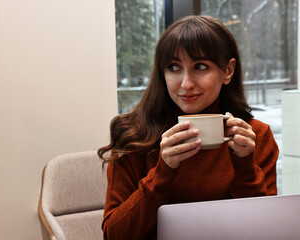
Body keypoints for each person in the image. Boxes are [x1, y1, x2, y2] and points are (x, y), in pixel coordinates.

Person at [98, 15, 278, 240]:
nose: (185, 83)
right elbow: (114, 235)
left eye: (200, 66)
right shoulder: (133, 135)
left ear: (228, 71)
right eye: (174, 67)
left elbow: (267, 230)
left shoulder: (254, 136)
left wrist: (245, 165)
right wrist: (162, 172)